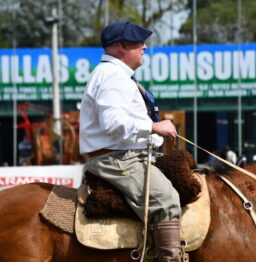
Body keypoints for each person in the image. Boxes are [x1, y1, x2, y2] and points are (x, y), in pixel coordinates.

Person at [79, 21, 187, 262]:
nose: (145, 47)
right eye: (139, 42)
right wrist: (154, 126)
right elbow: (113, 123)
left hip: (126, 156)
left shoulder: (116, 75)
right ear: (122, 46)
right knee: (166, 201)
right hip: (117, 159)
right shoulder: (112, 76)